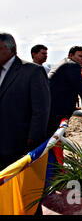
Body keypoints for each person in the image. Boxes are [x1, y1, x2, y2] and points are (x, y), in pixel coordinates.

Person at [0, 33, 50, 170]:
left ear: (12, 49)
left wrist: (33, 142)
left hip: (17, 145)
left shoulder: (32, 71)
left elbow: (41, 110)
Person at [47, 46, 82, 137]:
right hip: (55, 110)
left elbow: (66, 86)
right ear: (71, 55)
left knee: (55, 138)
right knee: (53, 139)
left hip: (50, 106)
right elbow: (81, 87)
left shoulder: (64, 63)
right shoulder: (72, 65)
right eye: (80, 56)